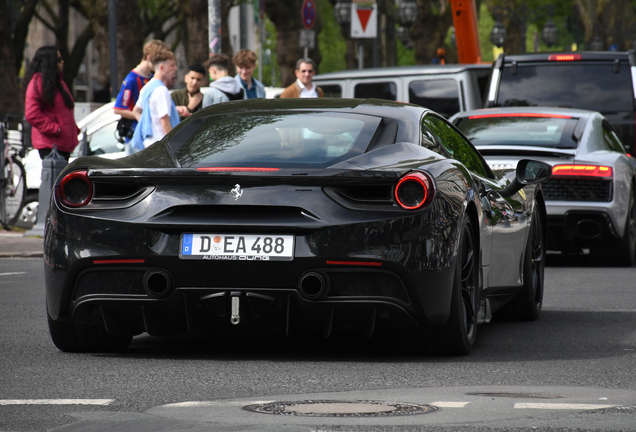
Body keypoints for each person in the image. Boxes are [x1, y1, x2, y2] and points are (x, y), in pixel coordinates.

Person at [23, 46, 79, 161]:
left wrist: (73, 130)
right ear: (49, 63)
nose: (62, 62)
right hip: (50, 145)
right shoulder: (37, 84)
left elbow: (63, 111)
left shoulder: (58, 83)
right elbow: (32, 114)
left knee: (60, 178)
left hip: (63, 144)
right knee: (54, 177)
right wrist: (55, 129)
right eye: (58, 60)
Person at [113, 40, 168, 150]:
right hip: (135, 136)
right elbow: (118, 109)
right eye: (157, 60)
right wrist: (145, 118)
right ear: (149, 57)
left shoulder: (151, 78)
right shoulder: (131, 80)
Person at [130, 49, 180, 153]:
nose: (175, 68)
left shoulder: (147, 87)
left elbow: (136, 111)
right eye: (172, 65)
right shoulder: (161, 90)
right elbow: (165, 122)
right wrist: (173, 149)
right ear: (162, 68)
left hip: (149, 145)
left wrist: (149, 126)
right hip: (162, 148)